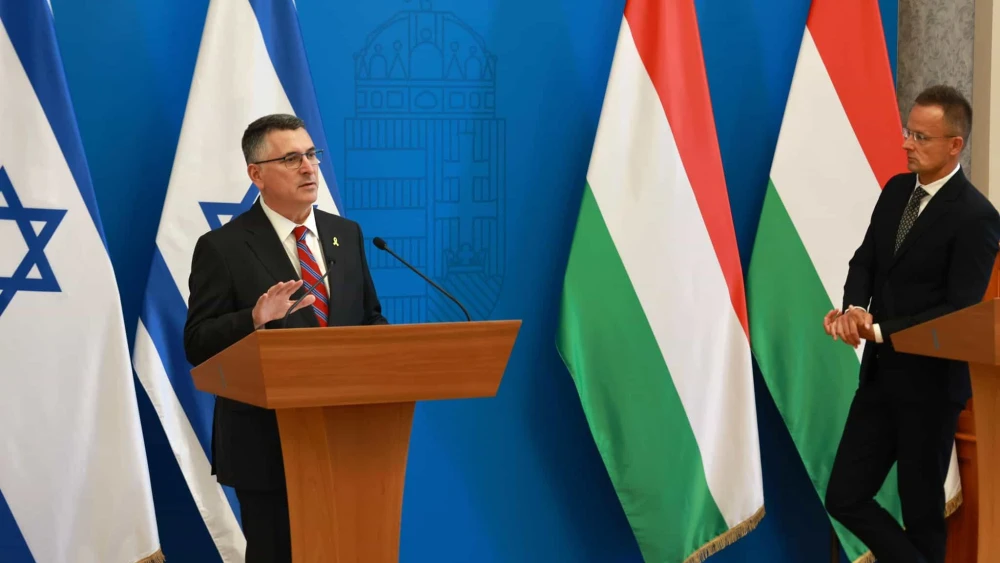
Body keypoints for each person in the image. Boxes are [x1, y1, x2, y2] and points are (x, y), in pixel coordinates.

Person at [183, 113, 388, 562]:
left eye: (312, 155)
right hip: (266, 445)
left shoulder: (345, 234)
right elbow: (197, 342)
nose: (309, 167)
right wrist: (254, 319)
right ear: (256, 174)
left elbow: (369, 318)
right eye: (292, 159)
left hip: (349, 437)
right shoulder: (223, 247)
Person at [821, 84, 1000, 563]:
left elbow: (959, 311)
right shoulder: (896, 190)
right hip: (879, 380)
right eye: (908, 132)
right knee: (844, 496)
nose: (907, 144)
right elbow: (865, 261)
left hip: (932, 389)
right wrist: (855, 309)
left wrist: (879, 331)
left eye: (921, 137)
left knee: (923, 517)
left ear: (954, 145)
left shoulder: (977, 217)